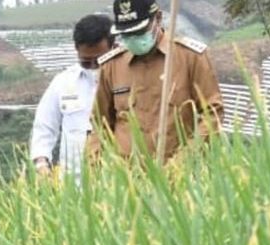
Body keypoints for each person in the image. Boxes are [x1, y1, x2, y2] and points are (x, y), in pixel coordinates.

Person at [87, 0, 223, 162]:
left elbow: (212, 114)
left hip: (179, 174)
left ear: (157, 19)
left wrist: (183, 162)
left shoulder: (190, 58)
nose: (132, 38)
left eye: (138, 32)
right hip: (128, 176)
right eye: (126, 34)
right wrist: (94, 170)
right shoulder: (112, 66)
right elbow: (100, 125)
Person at [30, 14, 115, 180]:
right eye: (86, 61)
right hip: (72, 184)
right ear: (76, 49)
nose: (92, 67)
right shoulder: (63, 82)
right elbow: (44, 126)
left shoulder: (126, 80)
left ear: (113, 47)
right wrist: (41, 163)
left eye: (99, 60)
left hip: (117, 181)